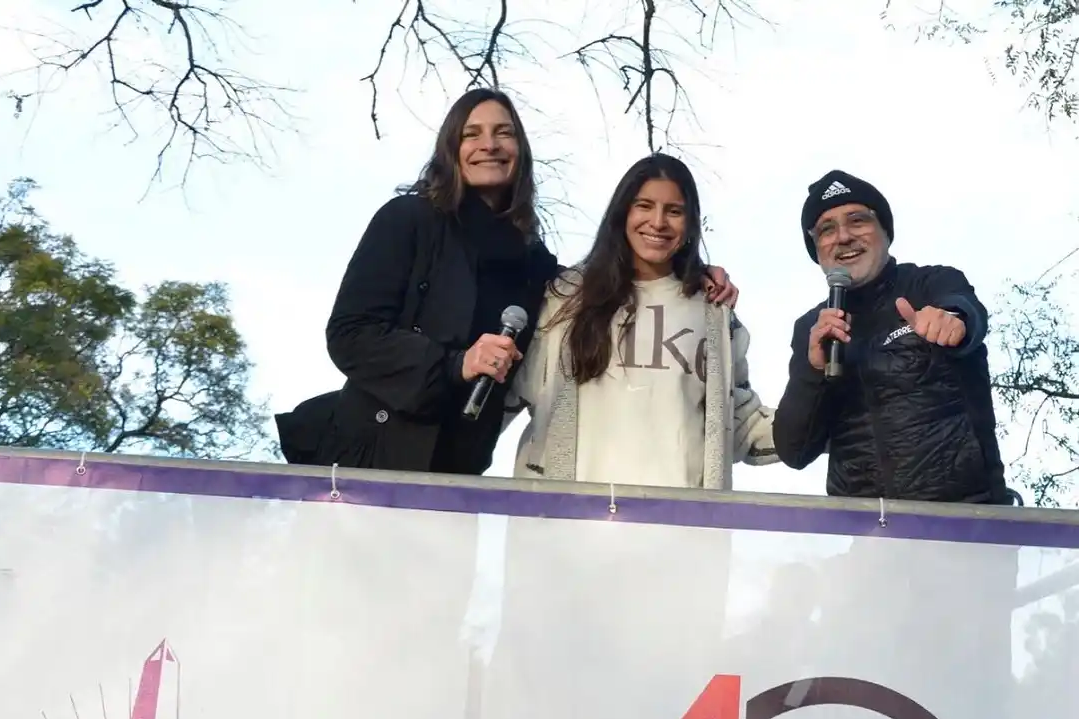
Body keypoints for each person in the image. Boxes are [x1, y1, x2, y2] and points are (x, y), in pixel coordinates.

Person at [274, 88, 739, 476]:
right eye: (471, 134)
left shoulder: (533, 261)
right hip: (373, 457)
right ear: (451, 150)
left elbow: (606, 285)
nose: (489, 145)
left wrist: (691, 274)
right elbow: (350, 335)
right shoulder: (409, 220)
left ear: (520, 151)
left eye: (504, 133)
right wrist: (456, 364)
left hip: (457, 470)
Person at [503, 153, 777, 489]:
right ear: (622, 213)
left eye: (674, 211)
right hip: (567, 524)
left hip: (677, 527)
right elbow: (504, 397)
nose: (658, 222)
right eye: (644, 206)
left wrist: (828, 405)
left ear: (690, 223)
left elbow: (742, 424)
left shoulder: (712, 309)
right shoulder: (564, 299)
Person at [772, 169, 1009, 504]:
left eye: (857, 220)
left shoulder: (931, 284)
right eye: (826, 228)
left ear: (885, 231)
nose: (843, 237)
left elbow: (967, 314)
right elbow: (793, 451)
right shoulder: (812, 328)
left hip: (969, 527)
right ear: (816, 249)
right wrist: (813, 373)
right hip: (870, 540)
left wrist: (953, 321)